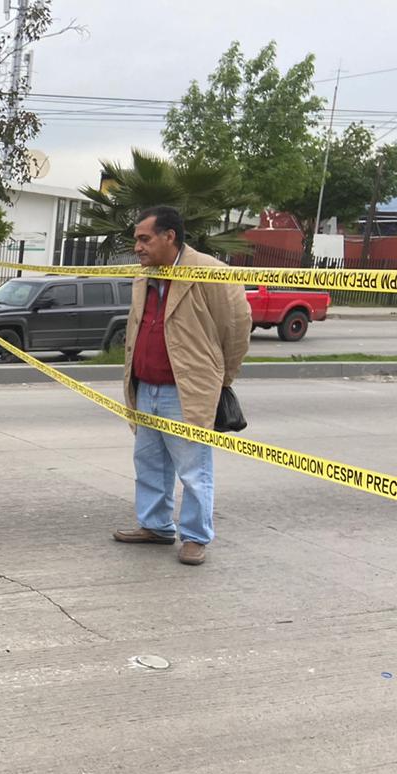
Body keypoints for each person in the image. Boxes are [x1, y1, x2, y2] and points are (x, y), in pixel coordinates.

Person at [114, 205, 251, 565]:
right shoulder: (144, 275)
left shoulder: (209, 272)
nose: (138, 248)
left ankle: (195, 536)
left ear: (169, 236)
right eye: (136, 241)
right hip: (146, 387)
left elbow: (236, 329)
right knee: (149, 463)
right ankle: (155, 526)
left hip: (185, 391)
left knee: (194, 469)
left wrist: (221, 379)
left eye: (144, 239)